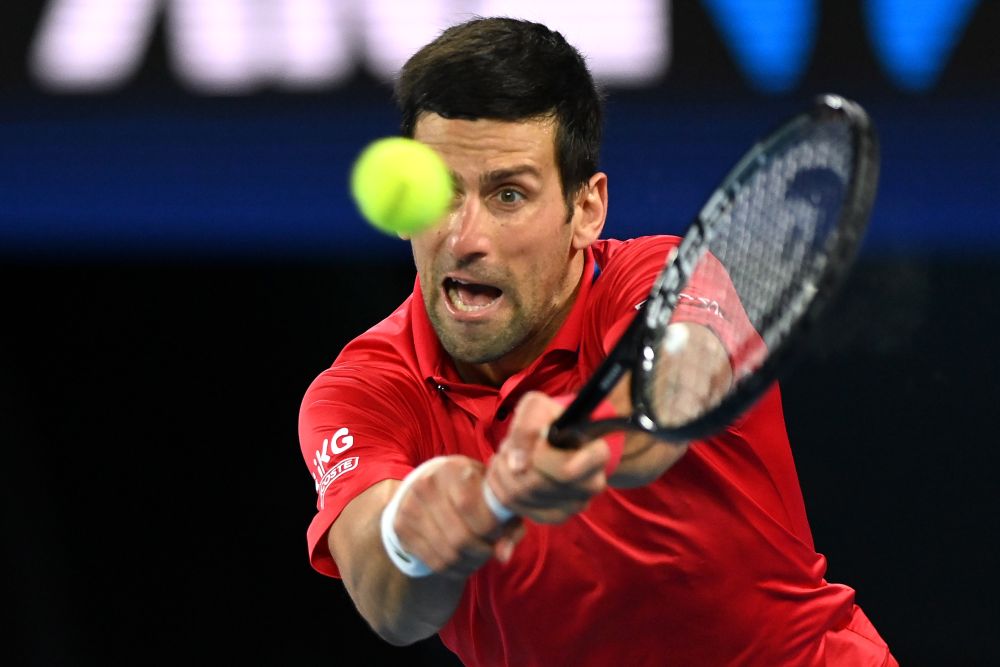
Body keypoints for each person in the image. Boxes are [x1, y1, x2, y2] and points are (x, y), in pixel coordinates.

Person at [298, 16, 897, 667]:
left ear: (586, 210)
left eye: (508, 194)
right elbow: (389, 605)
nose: (465, 238)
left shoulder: (664, 276)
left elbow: (677, 376)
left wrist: (587, 437)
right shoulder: (362, 390)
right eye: (441, 192)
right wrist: (416, 530)